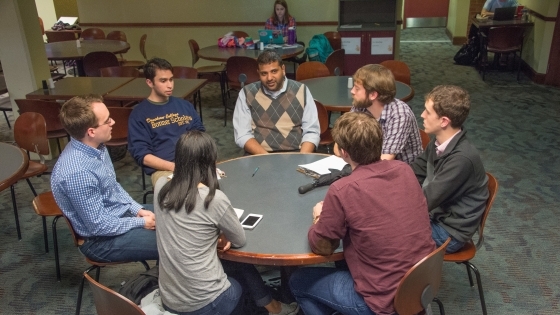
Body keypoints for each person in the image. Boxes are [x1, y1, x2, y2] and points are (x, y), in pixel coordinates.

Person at [289, 112, 435, 315]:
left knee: (298, 281)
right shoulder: (404, 170)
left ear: (343, 152)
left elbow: (323, 247)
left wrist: (319, 217)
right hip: (419, 287)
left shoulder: (342, 189)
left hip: (380, 303)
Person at [155, 131, 299, 315]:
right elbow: (238, 240)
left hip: (170, 298)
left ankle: (271, 305)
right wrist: (220, 233)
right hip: (206, 302)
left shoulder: (160, 186)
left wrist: (212, 235)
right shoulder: (213, 199)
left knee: (229, 263)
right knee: (241, 268)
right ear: (210, 161)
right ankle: (272, 307)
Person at [51, 94, 158, 263]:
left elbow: (112, 186)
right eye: (107, 120)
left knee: (179, 215)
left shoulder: (96, 146)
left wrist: (137, 209)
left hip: (117, 216)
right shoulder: (77, 173)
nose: (113, 122)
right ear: (91, 131)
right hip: (100, 241)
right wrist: (139, 222)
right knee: (178, 243)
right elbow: (99, 226)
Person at [411, 85, 488, 253]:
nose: (422, 115)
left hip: (449, 232)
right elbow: (414, 172)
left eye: (428, 112)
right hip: (436, 217)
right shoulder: (439, 142)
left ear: (444, 121)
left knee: (383, 231)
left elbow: (426, 200)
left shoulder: (461, 159)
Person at [128, 57, 205, 187]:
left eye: (171, 79)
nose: (170, 85)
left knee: (220, 187)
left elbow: (200, 134)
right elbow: (142, 155)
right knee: (184, 194)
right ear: (149, 82)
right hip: (163, 169)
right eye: (163, 81)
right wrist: (174, 167)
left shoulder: (184, 105)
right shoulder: (139, 114)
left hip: (193, 162)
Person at [233, 50, 320, 155]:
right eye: (264, 73)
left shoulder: (301, 90)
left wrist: (301, 159)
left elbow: (311, 131)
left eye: (274, 71)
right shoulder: (247, 93)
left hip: (296, 153)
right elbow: (242, 134)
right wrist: (268, 158)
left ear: (283, 69)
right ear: (258, 73)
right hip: (260, 154)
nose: (269, 78)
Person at [335, 64, 422, 164]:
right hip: (368, 165)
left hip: (401, 172)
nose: (352, 91)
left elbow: (385, 160)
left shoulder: (400, 114)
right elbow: (339, 146)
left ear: (373, 95)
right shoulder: (360, 106)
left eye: (357, 88)